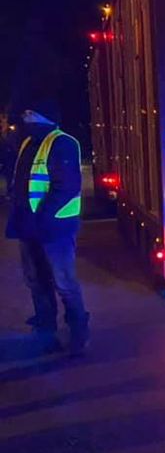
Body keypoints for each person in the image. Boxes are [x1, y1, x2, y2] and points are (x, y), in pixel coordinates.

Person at [5, 99, 88, 355]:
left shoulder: (63, 142)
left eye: (31, 112)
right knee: (36, 281)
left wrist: (40, 218)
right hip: (28, 226)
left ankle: (78, 335)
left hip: (55, 228)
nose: (25, 116)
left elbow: (66, 188)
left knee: (64, 283)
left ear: (45, 115)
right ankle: (45, 333)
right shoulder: (28, 142)